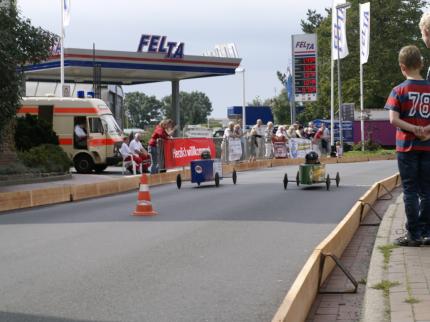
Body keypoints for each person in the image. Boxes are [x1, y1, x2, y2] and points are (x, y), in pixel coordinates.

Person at [384, 45, 430, 246]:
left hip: (406, 147)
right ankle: (427, 231)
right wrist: (425, 129)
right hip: (428, 145)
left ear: (402, 67)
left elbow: (393, 119)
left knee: (410, 190)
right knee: (427, 190)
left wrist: (412, 128)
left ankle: (413, 234)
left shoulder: (398, 90)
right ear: (421, 64)